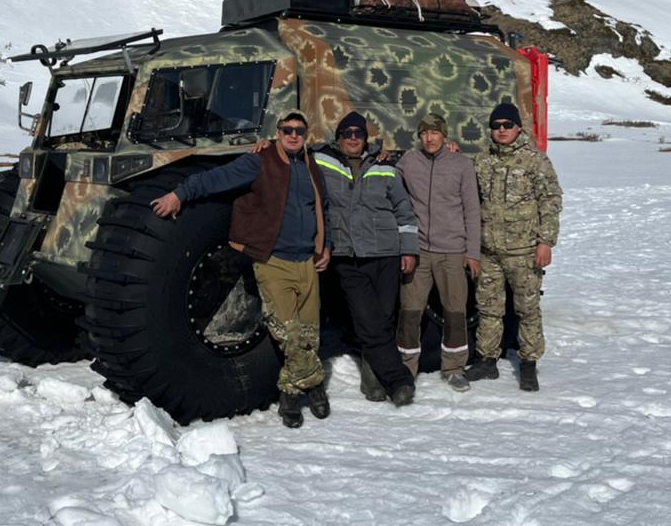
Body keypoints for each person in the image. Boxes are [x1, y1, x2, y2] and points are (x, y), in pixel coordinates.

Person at [150, 111, 331, 428]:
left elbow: (321, 208)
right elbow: (214, 179)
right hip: (274, 261)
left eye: (299, 131)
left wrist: (325, 245)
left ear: (306, 135)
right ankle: (314, 388)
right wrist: (180, 194)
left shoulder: (310, 165)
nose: (292, 135)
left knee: (308, 336)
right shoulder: (260, 161)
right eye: (287, 130)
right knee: (287, 334)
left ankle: (290, 393)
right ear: (278, 132)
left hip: (307, 262)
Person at [313, 111, 421, 407]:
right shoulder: (322, 161)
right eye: (346, 134)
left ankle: (372, 377)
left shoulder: (385, 167)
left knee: (384, 317)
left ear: (365, 138)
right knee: (368, 319)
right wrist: (265, 146)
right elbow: (291, 150)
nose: (352, 139)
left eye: (358, 134)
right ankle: (398, 380)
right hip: (347, 255)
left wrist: (409, 249)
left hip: (385, 253)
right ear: (338, 138)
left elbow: (404, 210)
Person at [465, 102, 563, 391]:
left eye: (507, 125)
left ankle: (529, 362)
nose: (502, 130)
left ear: (518, 127)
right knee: (488, 308)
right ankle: (487, 360)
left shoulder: (535, 161)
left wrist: (545, 242)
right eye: (496, 126)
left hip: (523, 250)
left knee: (527, 308)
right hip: (489, 250)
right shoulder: (482, 161)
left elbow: (551, 202)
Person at [395, 112, 481, 392]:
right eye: (424, 133)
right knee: (410, 311)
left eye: (435, 133)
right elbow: (390, 181)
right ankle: (406, 368)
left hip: (453, 251)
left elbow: (472, 209)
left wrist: (473, 253)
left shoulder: (461, 164)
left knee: (455, 311)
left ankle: (454, 367)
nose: (429, 138)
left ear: (445, 136)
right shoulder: (409, 161)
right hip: (418, 250)